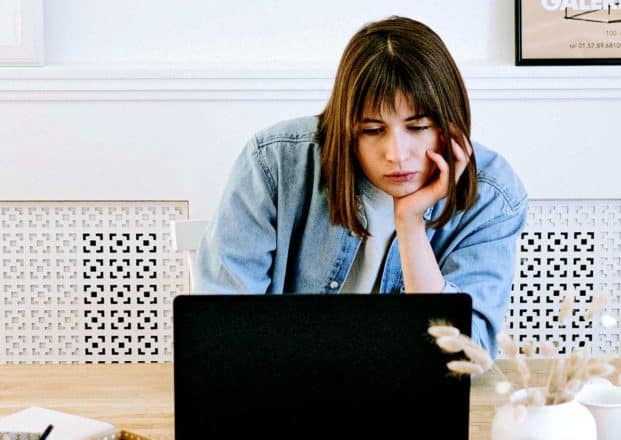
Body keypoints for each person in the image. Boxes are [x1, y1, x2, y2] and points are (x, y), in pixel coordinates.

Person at [195, 15, 527, 356]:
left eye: (417, 126)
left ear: (449, 125)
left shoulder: (492, 194)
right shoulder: (275, 163)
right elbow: (222, 326)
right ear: (345, 127)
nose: (396, 155)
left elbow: (461, 356)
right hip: (283, 385)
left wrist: (411, 224)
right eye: (371, 130)